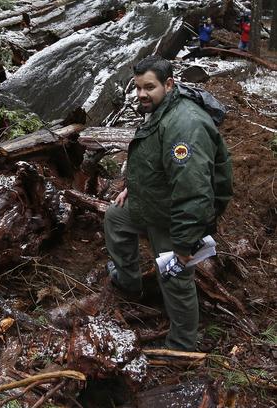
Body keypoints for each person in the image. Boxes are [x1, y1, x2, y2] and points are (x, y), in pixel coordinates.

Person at [104, 55, 233, 352]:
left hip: (175, 215)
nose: (141, 94)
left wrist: (184, 244)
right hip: (154, 201)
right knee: (115, 217)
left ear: (169, 84)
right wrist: (130, 188)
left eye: (149, 87)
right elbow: (152, 158)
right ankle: (128, 282)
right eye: (137, 88)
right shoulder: (160, 108)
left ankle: (182, 345)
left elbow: (194, 192)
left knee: (174, 276)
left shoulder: (185, 125)